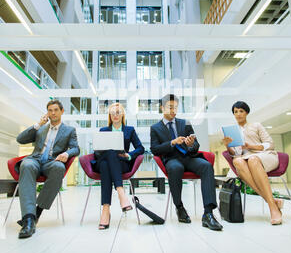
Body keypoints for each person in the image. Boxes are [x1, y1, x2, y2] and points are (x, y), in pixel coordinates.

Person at [150, 94, 222, 231]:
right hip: (171, 159)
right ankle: (179, 207)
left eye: (175, 107)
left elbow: (196, 145)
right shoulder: (155, 128)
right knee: (175, 168)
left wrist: (190, 144)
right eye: (170, 107)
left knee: (206, 166)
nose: (173, 110)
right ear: (162, 108)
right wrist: (172, 142)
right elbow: (154, 149)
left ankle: (208, 213)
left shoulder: (185, 123)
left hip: (189, 158)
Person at [15, 99, 80, 239]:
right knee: (26, 165)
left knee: (59, 168)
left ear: (62, 111)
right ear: (47, 113)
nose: (53, 113)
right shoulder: (41, 128)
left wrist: (66, 153)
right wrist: (38, 124)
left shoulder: (69, 130)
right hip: (35, 160)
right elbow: (20, 139)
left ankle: (37, 211)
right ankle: (28, 220)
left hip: (52, 161)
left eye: (56, 110)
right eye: (50, 110)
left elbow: (76, 148)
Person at [222, 101, 282, 225]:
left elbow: (270, 144)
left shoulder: (256, 125)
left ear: (246, 112)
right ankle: (272, 203)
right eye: (235, 112)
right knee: (237, 161)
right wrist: (228, 146)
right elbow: (236, 154)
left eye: (241, 111)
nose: (238, 114)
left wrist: (251, 146)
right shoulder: (232, 131)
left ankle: (272, 208)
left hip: (264, 155)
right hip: (245, 158)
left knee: (253, 160)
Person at [91, 102, 144, 230]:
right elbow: (97, 151)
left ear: (122, 114)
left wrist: (129, 155)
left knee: (105, 165)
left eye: (118, 112)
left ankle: (105, 210)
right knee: (109, 152)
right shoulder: (103, 130)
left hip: (122, 164)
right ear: (109, 115)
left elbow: (140, 148)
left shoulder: (129, 130)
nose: (115, 115)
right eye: (113, 113)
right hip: (104, 160)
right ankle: (121, 193)